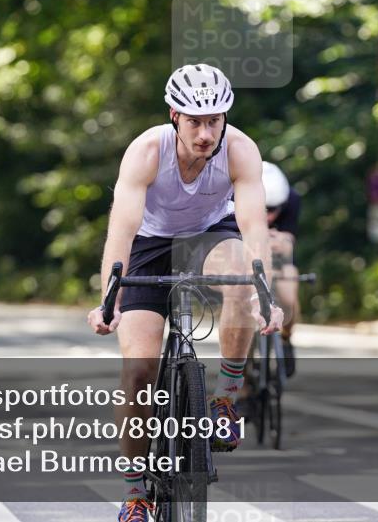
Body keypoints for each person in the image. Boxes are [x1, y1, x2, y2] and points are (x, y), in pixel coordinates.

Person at [87, 65, 283, 522]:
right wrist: (109, 299)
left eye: (214, 120)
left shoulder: (240, 150)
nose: (205, 133)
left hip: (209, 235)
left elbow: (254, 226)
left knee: (242, 278)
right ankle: (135, 493)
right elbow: (122, 229)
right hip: (149, 244)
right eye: (195, 121)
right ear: (174, 116)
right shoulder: (146, 151)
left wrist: (265, 295)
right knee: (138, 372)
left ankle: (225, 400)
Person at [261, 161, 301, 375]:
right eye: (262, 209)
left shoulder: (292, 199)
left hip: (279, 261)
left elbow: (289, 241)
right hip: (247, 258)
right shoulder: (235, 196)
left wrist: (281, 242)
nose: (267, 217)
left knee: (289, 293)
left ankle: (286, 337)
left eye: (273, 210)